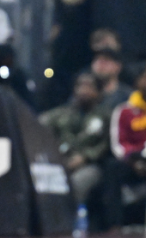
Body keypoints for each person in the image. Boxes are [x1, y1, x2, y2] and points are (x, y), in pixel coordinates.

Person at [103, 62, 146, 230]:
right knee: (112, 167)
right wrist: (134, 160)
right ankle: (114, 224)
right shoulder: (124, 110)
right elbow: (118, 143)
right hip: (133, 160)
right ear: (137, 82)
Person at [42, 72, 112, 208]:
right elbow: (40, 124)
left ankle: (74, 222)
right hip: (61, 161)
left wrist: (85, 157)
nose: (83, 91)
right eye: (80, 86)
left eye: (89, 86)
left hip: (92, 165)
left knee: (76, 184)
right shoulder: (61, 114)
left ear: (98, 92)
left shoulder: (105, 116)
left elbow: (106, 144)